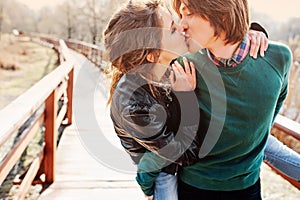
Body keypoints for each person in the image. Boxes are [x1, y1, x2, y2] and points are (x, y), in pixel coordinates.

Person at [104, 1, 295, 200]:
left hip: (184, 140)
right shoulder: (134, 106)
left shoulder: (173, 60)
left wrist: (251, 31)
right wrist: (185, 97)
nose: (182, 27)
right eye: (172, 28)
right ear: (153, 55)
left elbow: (226, 31)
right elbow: (182, 152)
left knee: (266, 143)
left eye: (181, 18)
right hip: (162, 160)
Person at [169, 0, 293, 199]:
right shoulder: (184, 66)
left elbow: (276, 103)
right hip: (193, 188)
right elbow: (169, 135)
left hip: (248, 188)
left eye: (188, 14)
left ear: (221, 15)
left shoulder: (279, 58)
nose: (181, 24)